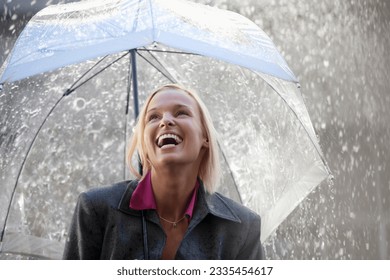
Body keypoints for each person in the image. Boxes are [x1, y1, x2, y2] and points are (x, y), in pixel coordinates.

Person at [63, 84, 264, 259]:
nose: (165, 121)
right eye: (153, 117)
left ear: (206, 137)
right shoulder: (95, 209)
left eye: (181, 113)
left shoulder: (243, 227)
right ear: (144, 143)